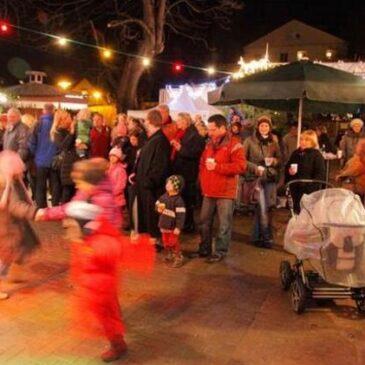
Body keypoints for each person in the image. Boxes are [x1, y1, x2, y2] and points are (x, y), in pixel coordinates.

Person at [35, 159, 134, 362]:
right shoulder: (88, 192)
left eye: (79, 182)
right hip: (89, 255)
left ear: (91, 182)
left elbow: (110, 229)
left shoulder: (104, 200)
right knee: (105, 300)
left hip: (100, 259)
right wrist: (46, 213)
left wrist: (86, 233)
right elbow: (71, 208)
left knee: (102, 302)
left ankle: (117, 343)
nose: (77, 186)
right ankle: (115, 327)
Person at [197, 114, 246, 262]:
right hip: (209, 190)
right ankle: (204, 249)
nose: (209, 132)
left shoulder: (235, 144)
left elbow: (241, 166)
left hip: (225, 192)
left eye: (212, 129)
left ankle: (220, 252)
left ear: (223, 128)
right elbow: (202, 163)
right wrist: (203, 181)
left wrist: (218, 167)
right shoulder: (209, 144)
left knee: (224, 224)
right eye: (209, 129)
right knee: (204, 221)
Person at [0, 151, 40, 299]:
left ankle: (15, 275)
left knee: (25, 247)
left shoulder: (14, 182)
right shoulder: (6, 185)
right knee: (4, 260)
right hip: (7, 228)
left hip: (15, 226)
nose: (22, 172)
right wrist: (36, 213)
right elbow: (15, 206)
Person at [243, 115, 282, 248]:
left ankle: (256, 237)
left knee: (267, 208)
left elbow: (280, 159)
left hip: (270, 178)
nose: (264, 128)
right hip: (256, 179)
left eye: (266, 126)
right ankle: (267, 238)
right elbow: (242, 159)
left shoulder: (274, 142)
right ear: (258, 127)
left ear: (270, 128)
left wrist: (274, 161)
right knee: (262, 208)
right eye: (261, 125)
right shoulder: (249, 141)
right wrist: (255, 168)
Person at [135, 110, 171, 247]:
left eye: (146, 120)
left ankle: (156, 240)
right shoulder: (153, 138)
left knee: (153, 214)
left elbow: (160, 166)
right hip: (145, 184)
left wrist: (148, 181)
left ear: (150, 121)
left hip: (152, 186)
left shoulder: (160, 140)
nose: (144, 123)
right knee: (147, 214)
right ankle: (150, 237)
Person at [170, 112, 205, 233]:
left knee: (187, 199)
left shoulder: (195, 136)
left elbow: (195, 154)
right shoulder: (180, 134)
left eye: (179, 120)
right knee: (181, 198)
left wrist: (180, 149)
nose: (177, 123)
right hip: (179, 170)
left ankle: (188, 224)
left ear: (185, 121)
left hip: (188, 172)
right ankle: (182, 222)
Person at [28, 104, 61, 208]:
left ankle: (42, 208)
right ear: (53, 111)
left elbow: (31, 142)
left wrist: (34, 154)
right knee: (55, 185)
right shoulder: (58, 123)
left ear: (43, 110)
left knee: (40, 186)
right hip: (54, 160)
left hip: (40, 160)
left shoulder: (38, 123)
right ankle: (55, 207)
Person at [285, 130, 326, 214]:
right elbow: (287, 167)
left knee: (307, 213)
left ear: (312, 142)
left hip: (309, 190)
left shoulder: (316, 155)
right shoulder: (295, 153)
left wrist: (311, 187)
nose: (303, 142)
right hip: (295, 188)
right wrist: (289, 171)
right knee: (296, 212)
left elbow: (320, 174)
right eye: (302, 139)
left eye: (307, 140)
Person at [156, 175, 186, 268]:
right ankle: (170, 253)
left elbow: (181, 216)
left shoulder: (178, 201)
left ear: (176, 187)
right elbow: (157, 205)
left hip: (173, 227)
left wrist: (178, 227)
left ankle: (178, 256)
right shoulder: (163, 197)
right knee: (165, 242)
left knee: (173, 242)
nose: (167, 185)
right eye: (167, 183)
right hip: (164, 224)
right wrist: (158, 208)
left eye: (170, 184)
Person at [50, 110, 78, 203]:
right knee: (67, 189)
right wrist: (72, 132)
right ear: (62, 120)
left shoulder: (66, 130)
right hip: (64, 165)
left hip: (70, 163)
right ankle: (62, 211)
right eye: (68, 117)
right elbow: (63, 146)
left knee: (70, 189)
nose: (70, 119)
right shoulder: (58, 132)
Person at [108, 146, 127, 227]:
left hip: (116, 198)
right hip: (108, 197)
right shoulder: (108, 168)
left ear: (118, 158)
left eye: (114, 156)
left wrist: (112, 193)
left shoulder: (120, 170)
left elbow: (121, 185)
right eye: (111, 156)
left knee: (117, 219)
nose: (112, 158)